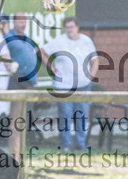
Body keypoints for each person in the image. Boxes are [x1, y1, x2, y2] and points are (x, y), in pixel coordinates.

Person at [40, 17, 98, 151]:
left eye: (71, 27)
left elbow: (95, 60)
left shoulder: (86, 41)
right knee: (65, 115)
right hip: (64, 85)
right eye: (67, 27)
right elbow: (41, 51)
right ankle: (65, 145)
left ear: (77, 27)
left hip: (83, 85)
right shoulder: (59, 41)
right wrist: (50, 68)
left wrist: (91, 76)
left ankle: (80, 145)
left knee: (81, 115)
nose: (69, 30)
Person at [0, 16, 17, 118]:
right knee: (1, 113)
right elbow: (6, 61)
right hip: (0, 81)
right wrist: (14, 66)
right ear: (1, 25)